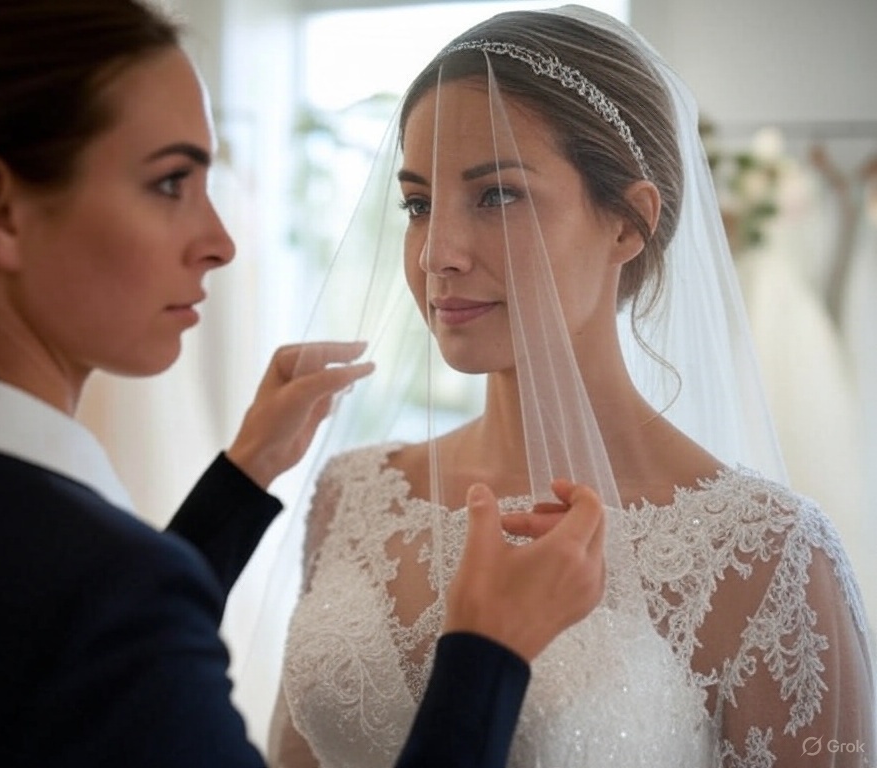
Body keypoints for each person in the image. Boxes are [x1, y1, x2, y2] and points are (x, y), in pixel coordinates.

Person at [0, 1, 610, 766]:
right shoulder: (100, 589)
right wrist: (488, 648)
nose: (219, 243)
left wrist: (242, 481)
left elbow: (71, 683)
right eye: (170, 182)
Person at [266, 6, 876, 767]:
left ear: (627, 222)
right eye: (419, 204)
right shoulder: (349, 492)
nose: (437, 254)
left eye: (496, 195)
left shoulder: (771, 555)